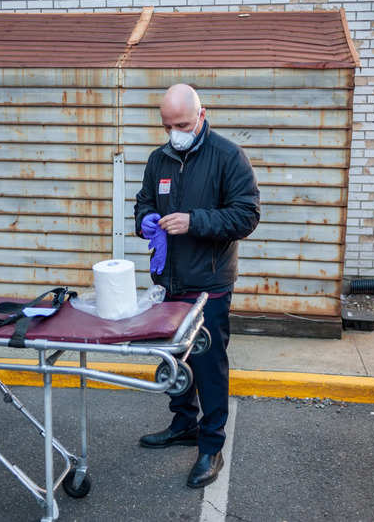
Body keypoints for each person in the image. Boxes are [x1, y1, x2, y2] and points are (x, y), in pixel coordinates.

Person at [134, 83, 260, 488]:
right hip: (169, 280)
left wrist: (195, 221)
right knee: (174, 359)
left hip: (208, 285)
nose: (175, 132)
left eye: (182, 124)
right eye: (167, 125)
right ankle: (184, 423)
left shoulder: (227, 156)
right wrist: (146, 221)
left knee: (208, 365)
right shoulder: (159, 159)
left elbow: (246, 216)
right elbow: (144, 201)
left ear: (201, 115)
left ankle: (211, 445)